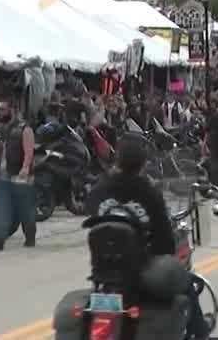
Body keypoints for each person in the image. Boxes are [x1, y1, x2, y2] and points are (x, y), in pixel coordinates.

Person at [84, 133, 210, 339]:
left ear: (117, 160)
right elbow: (165, 242)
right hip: (140, 273)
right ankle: (201, 332)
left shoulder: (99, 189)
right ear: (143, 164)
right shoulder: (148, 192)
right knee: (184, 281)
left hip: (102, 273)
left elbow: (91, 215)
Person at [0, 99, 36, 251]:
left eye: (3, 110)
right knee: (1, 209)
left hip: (19, 176)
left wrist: (25, 168)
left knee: (25, 209)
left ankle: (30, 235)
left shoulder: (24, 128)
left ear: (12, 110)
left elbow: (29, 151)